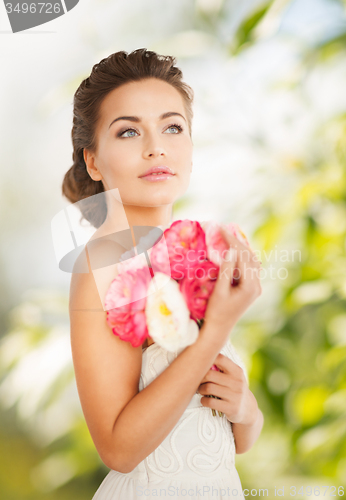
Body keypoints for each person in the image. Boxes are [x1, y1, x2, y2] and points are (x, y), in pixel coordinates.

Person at [62, 48, 264, 499]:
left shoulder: (202, 254)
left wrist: (247, 411)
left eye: (172, 127)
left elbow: (226, 439)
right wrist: (217, 329)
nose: (156, 147)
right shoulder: (102, 262)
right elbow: (119, 450)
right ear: (93, 161)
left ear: (191, 148)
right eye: (129, 131)